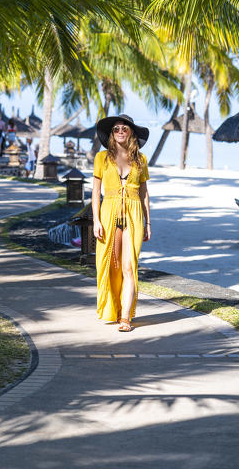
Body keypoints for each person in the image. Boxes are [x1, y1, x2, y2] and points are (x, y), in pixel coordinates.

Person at [92, 114, 151, 332]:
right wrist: (96, 220)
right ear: (111, 133)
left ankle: (125, 317)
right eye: (116, 129)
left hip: (134, 213)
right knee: (110, 265)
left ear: (131, 132)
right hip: (109, 212)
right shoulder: (102, 158)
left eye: (124, 129)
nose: (120, 132)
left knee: (129, 266)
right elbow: (95, 192)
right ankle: (114, 310)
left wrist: (148, 223)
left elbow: (144, 192)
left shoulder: (141, 159)